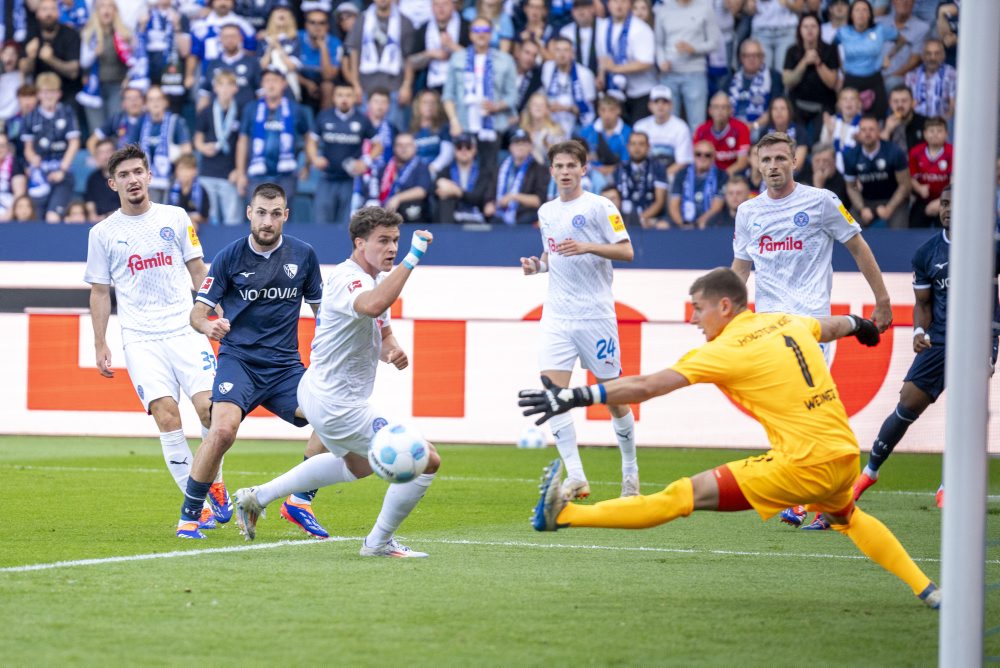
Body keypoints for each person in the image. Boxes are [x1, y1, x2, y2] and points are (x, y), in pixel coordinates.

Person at [519, 267, 942, 610]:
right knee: (847, 517)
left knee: (679, 497)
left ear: (725, 306)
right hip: (844, 455)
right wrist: (862, 325)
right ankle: (928, 589)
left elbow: (648, 385)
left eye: (698, 309)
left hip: (801, 464)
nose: (693, 319)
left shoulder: (724, 350)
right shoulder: (784, 319)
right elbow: (829, 325)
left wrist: (576, 395)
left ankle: (565, 515)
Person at [232, 209, 440, 558]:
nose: (392, 248)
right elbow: (372, 305)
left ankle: (258, 497)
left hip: (318, 389)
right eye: (383, 241)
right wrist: (413, 257)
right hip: (337, 402)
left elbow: (382, 329)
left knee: (357, 465)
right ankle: (378, 544)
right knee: (427, 459)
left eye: (396, 241)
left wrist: (392, 351)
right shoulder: (350, 280)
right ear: (360, 243)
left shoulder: (374, 281)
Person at [733, 131, 894, 530]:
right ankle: (824, 494)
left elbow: (858, 247)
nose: (773, 166)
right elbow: (740, 269)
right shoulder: (748, 212)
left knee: (806, 408)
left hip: (812, 325)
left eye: (780, 159)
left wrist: (883, 299)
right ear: (757, 164)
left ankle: (808, 497)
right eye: (766, 160)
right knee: (786, 411)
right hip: (766, 327)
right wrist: (728, 319)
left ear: (794, 161)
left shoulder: (821, 203)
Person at [83, 143, 231, 535]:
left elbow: (198, 269)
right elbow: (99, 292)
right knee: (167, 415)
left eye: (138, 172)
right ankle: (194, 505)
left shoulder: (175, 217)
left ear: (149, 176)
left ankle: (214, 480)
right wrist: (101, 342)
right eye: (124, 175)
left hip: (185, 330)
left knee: (211, 413)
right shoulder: (102, 234)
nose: (133, 180)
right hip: (141, 338)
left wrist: (214, 312)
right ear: (112, 183)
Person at [176, 182, 328, 540]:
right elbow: (196, 314)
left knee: (333, 419)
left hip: (285, 369)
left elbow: (323, 311)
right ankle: (189, 516)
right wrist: (209, 325)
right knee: (223, 430)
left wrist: (330, 349)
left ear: (285, 216)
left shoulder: (303, 255)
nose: (267, 221)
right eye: (261, 212)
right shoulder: (230, 257)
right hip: (239, 362)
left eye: (276, 214)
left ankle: (300, 501)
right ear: (249, 213)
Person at [853, 185, 999, 509]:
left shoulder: (986, 249)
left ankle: (949, 486)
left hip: (972, 343)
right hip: (939, 340)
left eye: (954, 204)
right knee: (906, 405)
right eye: (944, 203)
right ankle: (869, 472)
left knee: (965, 412)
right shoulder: (926, 253)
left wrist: (991, 348)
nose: (948, 209)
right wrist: (919, 329)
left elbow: (993, 302)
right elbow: (923, 303)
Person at [519, 139, 638, 500]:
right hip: (557, 315)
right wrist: (537, 266)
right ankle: (576, 476)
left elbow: (627, 251)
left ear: (584, 169)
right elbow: (552, 254)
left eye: (572, 166)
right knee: (553, 395)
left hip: (595, 315)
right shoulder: (546, 211)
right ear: (552, 170)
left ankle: (630, 472)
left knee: (614, 396)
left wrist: (588, 245)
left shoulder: (601, 207)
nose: (566, 172)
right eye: (560, 166)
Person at [442, 16, 518, 168]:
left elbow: (513, 96)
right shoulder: (457, 58)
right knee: (465, 170)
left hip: (493, 126)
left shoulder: (505, 60)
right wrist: (454, 121)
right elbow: (448, 95)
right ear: (470, 34)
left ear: (491, 34)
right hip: (464, 125)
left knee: (489, 171)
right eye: (477, 30)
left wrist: (497, 106)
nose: (481, 34)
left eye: (485, 30)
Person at [235, 68, 315, 204]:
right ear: (262, 84)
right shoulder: (251, 108)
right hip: (257, 175)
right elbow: (242, 141)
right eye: (267, 81)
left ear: (284, 83)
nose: (271, 85)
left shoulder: (296, 109)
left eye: (275, 81)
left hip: (286, 175)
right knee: (257, 219)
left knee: (282, 219)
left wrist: (307, 165)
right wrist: (240, 173)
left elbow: (309, 137)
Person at [344, 0, 418, 130]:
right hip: (365, 87)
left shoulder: (404, 21)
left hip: (395, 87)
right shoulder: (362, 19)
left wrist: (406, 85)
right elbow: (354, 53)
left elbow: (409, 57)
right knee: (364, 132)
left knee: (394, 131)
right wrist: (355, 84)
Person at [311, 81, 376, 226]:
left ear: (355, 98)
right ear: (334, 98)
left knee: (347, 225)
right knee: (321, 222)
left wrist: (365, 161)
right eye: (340, 95)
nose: (344, 99)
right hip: (327, 178)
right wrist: (315, 157)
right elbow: (311, 140)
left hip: (350, 180)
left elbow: (378, 145)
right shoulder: (324, 116)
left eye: (348, 95)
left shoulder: (362, 119)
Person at [652, 0, 720, 130]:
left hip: (695, 72)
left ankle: (697, 150)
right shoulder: (663, 10)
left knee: (697, 124)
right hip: (669, 74)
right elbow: (659, 43)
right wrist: (661, 62)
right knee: (669, 123)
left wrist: (693, 48)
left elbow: (713, 43)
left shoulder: (705, 8)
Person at [23, 72, 79, 223]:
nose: (49, 96)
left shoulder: (66, 112)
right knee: (35, 217)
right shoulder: (30, 117)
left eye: (52, 92)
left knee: (52, 217)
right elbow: (28, 147)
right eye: (45, 92)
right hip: (40, 173)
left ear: (59, 94)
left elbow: (74, 143)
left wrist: (62, 169)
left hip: (62, 171)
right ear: (39, 94)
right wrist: (32, 159)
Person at [192, 69, 243, 226]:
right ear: (215, 88)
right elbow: (198, 138)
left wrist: (239, 171)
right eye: (221, 85)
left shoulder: (241, 112)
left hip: (230, 174)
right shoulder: (206, 112)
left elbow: (244, 143)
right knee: (209, 218)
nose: (225, 89)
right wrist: (202, 147)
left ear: (236, 88)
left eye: (229, 85)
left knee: (232, 220)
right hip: (208, 172)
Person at [782, 12, 840, 147]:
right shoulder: (792, 51)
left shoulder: (830, 50)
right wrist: (804, 62)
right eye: (805, 27)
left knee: (818, 143)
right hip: (797, 105)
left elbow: (832, 83)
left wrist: (818, 62)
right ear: (799, 30)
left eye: (813, 26)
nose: (809, 30)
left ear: (819, 29)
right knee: (795, 142)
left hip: (823, 106)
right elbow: (787, 82)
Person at [594, 0, 657, 124]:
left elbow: (646, 62)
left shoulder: (640, 28)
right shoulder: (603, 26)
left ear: (629, 5)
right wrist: (601, 75)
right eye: (615, 2)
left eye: (623, 2)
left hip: (640, 93)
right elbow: (603, 57)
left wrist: (616, 68)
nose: (619, 5)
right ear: (608, 4)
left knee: (638, 133)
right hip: (614, 92)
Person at [129, 85, 193, 204]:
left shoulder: (176, 122)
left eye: (158, 99)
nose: (155, 103)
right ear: (146, 104)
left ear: (165, 102)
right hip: (145, 181)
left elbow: (186, 152)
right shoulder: (141, 122)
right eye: (151, 100)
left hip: (171, 180)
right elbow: (129, 150)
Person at [844, 114, 911, 229]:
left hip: (893, 200)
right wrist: (862, 208)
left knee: (900, 235)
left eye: (871, 129)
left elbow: (905, 185)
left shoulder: (894, 152)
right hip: (866, 201)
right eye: (863, 130)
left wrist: (889, 208)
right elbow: (851, 187)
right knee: (847, 227)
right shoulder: (851, 155)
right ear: (859, 134)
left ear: (879, 132)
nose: (867, 133)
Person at [834, 0, 897, 119]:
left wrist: (888, 56)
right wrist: (839, 66)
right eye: (857, 10)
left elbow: (900, 39)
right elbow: (832, 48)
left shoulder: (879, 29)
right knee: (848, 118)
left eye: (865, 10)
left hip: (874, 78)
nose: (861, 13)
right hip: (851, 80)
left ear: (870, 14)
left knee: (878, 116)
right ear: (851, 14)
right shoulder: (843, 31)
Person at [363, 132, 433, 223]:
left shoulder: (421, 167)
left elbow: (422, 190)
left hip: (413, 217)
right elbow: (374, 190)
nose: (404, 149)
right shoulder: (385, 168)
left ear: (415, 148)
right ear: (394, 148)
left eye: (408, 145)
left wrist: (397, 198)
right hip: (385, 214)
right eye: (400, 145)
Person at [722, 38, 784, 136]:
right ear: (741, 58)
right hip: (733, 128)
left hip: (762, 128)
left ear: (762, 57)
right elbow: (722, 108)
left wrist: (753, 125)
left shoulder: (773, 77)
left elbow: (774, 109)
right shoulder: (731, 79)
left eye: (756, 55)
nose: (752, 59)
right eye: (748, 56)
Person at [486, 128, 548, 225]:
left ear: (530, 147)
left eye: (524, 143)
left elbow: (539, 200)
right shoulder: (500, 168)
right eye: (517, 143)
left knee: (524, 219)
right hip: (500, 215)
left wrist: (514, 197)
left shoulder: (539, 169)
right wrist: (489, 204)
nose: (520, 146)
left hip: (525, 216)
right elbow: (489, 195)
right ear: (510, 147)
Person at [434, 132, 497, 224]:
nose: (464, 150)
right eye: (459, 147)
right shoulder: (445, 171)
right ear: (454, 150)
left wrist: (457, 192)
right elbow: (438, 191)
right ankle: (446, 235)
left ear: (474, 150)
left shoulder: (484, 172)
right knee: (445, 202)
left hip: (477, 217)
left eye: (468, 147)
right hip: (452, 217)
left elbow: (478, 197)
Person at [633, 85, 692, 182]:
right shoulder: (639, 126)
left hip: (671, 176)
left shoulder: (681, 127)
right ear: (650, 105)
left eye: (664, 102)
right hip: (644, 175)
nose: (660, 106)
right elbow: (635, 157)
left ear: (671, 105)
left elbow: (683, 162)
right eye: (656, 102)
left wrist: (660, 178)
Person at [411, 0, 470, 96]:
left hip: (461, 86)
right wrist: (429, 54)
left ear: (453, 5)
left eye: (444, 4)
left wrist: (452, 46)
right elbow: (411, 62)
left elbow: (476, 59)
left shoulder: (466, 26)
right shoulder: (424, 28)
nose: (440, 8)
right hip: (431, 87)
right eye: (436, 4)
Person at [541, 35, 597, 137]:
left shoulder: (585, 74)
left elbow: (589, 109)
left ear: (572, 53)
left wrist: (567, 108)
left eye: (566, 50)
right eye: (558, 50)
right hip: (552, 121)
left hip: (578, 123)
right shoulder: (547, 68)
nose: (561, 55)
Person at [614, 131, 668, 229]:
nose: (637, 148)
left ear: (648, 147)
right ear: (628, 147)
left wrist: (640, 219)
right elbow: (615, 199)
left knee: (663, 225)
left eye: (641, 144)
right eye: (633, 144)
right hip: (624, 218)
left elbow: (659, 201)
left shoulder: (657, 167)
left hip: (651, 217)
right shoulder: (620, 169)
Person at [669, 140, 726, 228]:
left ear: (713, 157)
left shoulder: (721, 175)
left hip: (708, 223)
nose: (702, 157)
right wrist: (682, 224)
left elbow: (717, 207)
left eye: (707, 155)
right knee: (662, 225)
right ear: (693, 155)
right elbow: (674, 205)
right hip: (683, 223)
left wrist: (696, 225)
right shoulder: (681, 174)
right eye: (698, 154)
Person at [907, 115, 950, 229]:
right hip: (922, 199)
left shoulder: (952, 152)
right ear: (925, 134)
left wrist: (941, 201)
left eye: (939, 131)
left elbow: (955, 181)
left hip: (947, 200)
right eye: (931, 131)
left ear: (946, 134)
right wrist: (919, 188)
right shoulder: (916, 152)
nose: (935, 134)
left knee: (946, 229)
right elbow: (911, 177)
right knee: (914, 227)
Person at [693, 92, 750, 177]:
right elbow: (697, 159)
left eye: (724, 107)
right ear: (710, 110)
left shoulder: (741, 128)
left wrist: (722, 177)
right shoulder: (701, 130)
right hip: (708, 176)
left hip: (734, 176)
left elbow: (742, 162)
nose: (720, 111)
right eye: (716, 107)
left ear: (730, 110)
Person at [877, 0, 930, 91]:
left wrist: (891, 76)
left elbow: (914, 61)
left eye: (908, 0)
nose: (904, 2)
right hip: (876, 74)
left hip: (901, 76)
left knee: (891, 82)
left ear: (913, 3)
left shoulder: (922, 28)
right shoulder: (878, 23)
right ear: (893, 1)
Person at [904, 39, 956, 122]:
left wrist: (946, 120)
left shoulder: (951, 74)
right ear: (923, 56)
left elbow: (953, 102)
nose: (933, 58)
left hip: (943, 121)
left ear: (943, 56)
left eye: (937, 53)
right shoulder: (911, 76)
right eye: (929, 53)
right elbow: (907, 103)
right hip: (918, 121)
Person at [881, 84, 926, 154]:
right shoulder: (883, 122)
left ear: (912, 102)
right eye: (896, 101)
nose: (900, 105)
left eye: (904, 101)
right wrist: (887, 131)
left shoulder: (924, 123)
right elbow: (878, 154)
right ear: (890, 104)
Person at [83, 137, 119, 222]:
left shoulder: (124, 176)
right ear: (96, 156)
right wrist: (92, 214)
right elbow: (89, 201)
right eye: (101, 153)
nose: (106, 156)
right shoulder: (93, 178)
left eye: (108, 151)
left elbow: (129, 207)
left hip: (121, 222)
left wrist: (106, 217)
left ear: (115, 153)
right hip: (98, 223)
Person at [169, 154, 209, 229]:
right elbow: (167, 214)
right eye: (181, 169)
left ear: (195, 171)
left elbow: (205, 218)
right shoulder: (170, 190)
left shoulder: (201, 191)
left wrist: (189, 220)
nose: (184, 173)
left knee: (191, 225)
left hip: (197, 229)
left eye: (187, 169)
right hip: (174, 226)